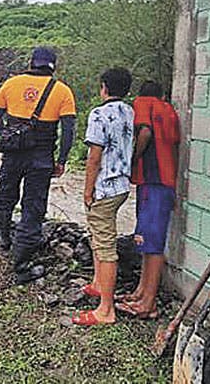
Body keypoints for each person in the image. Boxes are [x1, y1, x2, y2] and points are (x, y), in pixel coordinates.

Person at [0, 47, 76, 284]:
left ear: (31, 63)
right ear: (53, 66)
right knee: (33, 206)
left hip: (13, 153)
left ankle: (5, 239)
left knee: (5, 195)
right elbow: (68, 130)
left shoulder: (11, 84)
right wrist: (62, 160)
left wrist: (5, 136)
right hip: (42, 157)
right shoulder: (62, 90)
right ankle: (21, 265)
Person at [73, 68, 134, 326]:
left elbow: (94, 157)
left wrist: (88, 190)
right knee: (99, 237)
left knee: (106, 245)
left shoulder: (99, 114)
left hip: (104, 188)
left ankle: (106, 310)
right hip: (122, 186)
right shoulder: (128, 111)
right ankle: (99, 284)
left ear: (104, 87)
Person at [117, 80, 180, 319]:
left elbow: (144, 131)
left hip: (153, 181)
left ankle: (148, 303)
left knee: (152, 244)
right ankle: (141, 292)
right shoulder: (169, 111)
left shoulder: (144, 104)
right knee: (146, 240)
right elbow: (174, 146)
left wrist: (133, 159)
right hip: (164, 182)